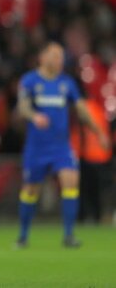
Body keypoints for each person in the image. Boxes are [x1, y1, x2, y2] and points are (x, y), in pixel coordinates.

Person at [16, 42, 109, 248]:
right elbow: (22, 107)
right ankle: (23, 236)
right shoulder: (30, 81)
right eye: (55, 56)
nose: (60, 60)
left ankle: (69, 235)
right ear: (43, 57)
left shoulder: (66, 83)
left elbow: (81, 109)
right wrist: (34, 115)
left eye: (61, 56)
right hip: (37, 147)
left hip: (61, 147)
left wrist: (99, 132)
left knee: (71, 181)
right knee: (30, 191)